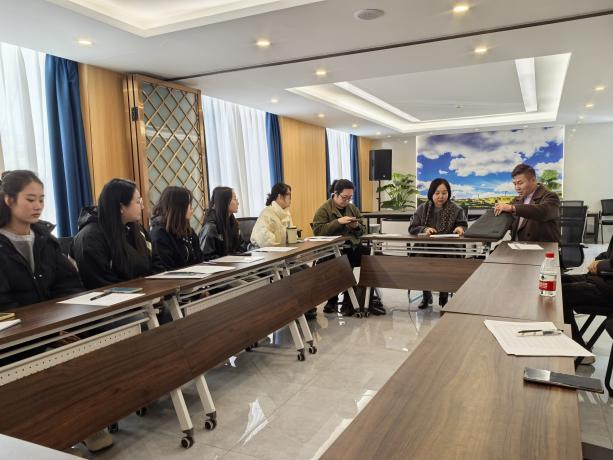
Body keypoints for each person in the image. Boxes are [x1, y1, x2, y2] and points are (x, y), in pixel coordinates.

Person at [0, 170, 112, 453]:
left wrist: (65, 323)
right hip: (15, 336)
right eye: (30, 199)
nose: (38, 206)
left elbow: (69, 285)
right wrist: (48, 333)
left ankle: (89, 419)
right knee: (47, 359)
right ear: (9, 200)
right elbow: (4, 304)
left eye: (41, 199)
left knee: (102, 334)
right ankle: (56, 430)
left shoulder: (45, 239)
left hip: (53, 325)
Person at [312, 179, 385, 316]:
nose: (347, 201)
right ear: (335, 193)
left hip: (353, 247)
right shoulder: (324, 210)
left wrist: (356, 227)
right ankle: (336, 300)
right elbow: (318, 232)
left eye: (350, 197)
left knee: (374, 257)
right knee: (341, 262)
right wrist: (337, 222)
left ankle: (365, 297)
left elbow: (363, 230)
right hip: (332, 251)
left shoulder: (352, 208)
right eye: (344, 197)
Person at [72, 179, 157, 290]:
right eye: (138, 202)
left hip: (144, 294)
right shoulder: (90, 237)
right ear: (121, 207)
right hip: (114, 298)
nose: (142, 207)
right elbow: (101, 284)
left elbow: (156, 262)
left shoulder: (137, 229)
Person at [408, 178, 467, 308]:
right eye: (437, 193)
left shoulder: (456, 209)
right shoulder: (422, 208)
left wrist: (460, 228)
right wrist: (424, 229)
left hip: (448, 247)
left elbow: (463, 225)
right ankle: (426, 295)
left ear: (448, 193)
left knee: (445, 261)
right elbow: (412, 227)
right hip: (425, 246)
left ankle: (444, 296)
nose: (441, 196)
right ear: (431, 193)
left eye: (444, 193)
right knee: (420, 259)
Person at [562, 234, 613, 364]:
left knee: (559, 294)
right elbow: (608, 254)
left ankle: (579, 351)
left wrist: (600, 265)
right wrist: (598, 261)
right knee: (557, 281)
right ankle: (571, 340)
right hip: (601, 280)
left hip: (608, 288)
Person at [494, 163, 560, 242]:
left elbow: (544, 212)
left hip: (540, 246)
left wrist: (512, 208)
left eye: (520, 183)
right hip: (516, 245)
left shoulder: (550, 196)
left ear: (533, 180)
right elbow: (507, 221)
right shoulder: (516, 200)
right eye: (514, 184)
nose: (517, 188)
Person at [150, 186, 203, 271]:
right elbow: (164, 269)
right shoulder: (159, 234)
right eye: (189, 205)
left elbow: (200, 260)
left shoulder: (188, 231)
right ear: (179, 208)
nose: (192, 209)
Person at [199, 186, 247, 260]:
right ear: (224, 202)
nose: (238, 203)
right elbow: (207, 257)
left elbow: (242, 247)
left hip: (234, 264)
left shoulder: (233, 223)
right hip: (219, 266)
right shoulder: (210, 227)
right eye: (234, 199)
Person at [251, 182, 293, 248]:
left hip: (280, 250)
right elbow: (265, 242)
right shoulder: (267, 214)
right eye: (288, 194)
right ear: (279, 196)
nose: (290, 198)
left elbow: (291, 237)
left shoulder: (286, 213)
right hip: (262, 251)